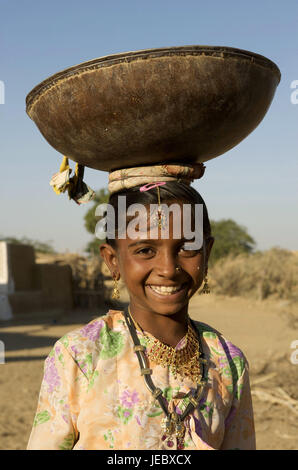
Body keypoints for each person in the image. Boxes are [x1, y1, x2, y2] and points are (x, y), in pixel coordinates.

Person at [27, 163, 256, 450]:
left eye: (187, 248)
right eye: (145, 250)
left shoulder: (228, 362)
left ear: (207, 253)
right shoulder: (80, 355)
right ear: (113, 260)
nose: (168, 269)